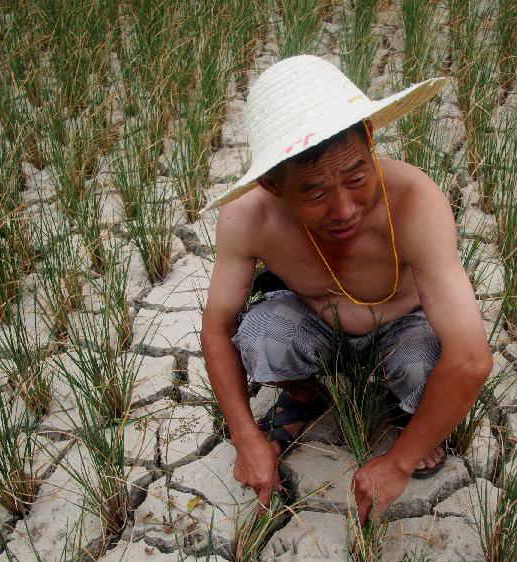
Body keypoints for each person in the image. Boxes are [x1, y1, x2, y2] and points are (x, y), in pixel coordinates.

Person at [200, 55, 492, 524]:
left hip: (404, 325)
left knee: (428, 367)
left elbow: (472, 357)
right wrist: (245, 436)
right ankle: (304, 395)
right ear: (273, 185)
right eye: (315, 192)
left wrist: (397, 463)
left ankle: (412, 422)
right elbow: (217, 328)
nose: (343, 209)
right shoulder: (247, 219)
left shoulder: (416, 201)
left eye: (356, 177)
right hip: (315, 322)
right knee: (261, 337)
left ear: (371, 140)